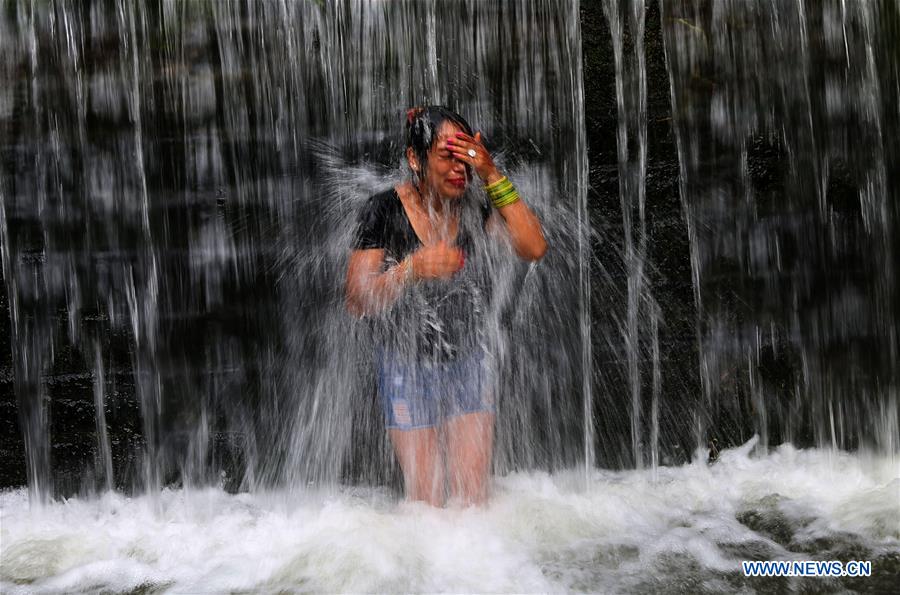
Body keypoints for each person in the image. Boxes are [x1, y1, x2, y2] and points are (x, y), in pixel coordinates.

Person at [345, 106, 547, 506]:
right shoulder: (383, 210)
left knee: (473, 501)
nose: (460, 168)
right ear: (415, 159)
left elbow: (533, 247)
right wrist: (410, 270)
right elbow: (357, 299)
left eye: (466, 154)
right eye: (447, 155)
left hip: (468, 357)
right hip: (404, 364)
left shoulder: (477, 203)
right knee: (428, 502)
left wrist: (490, 174)